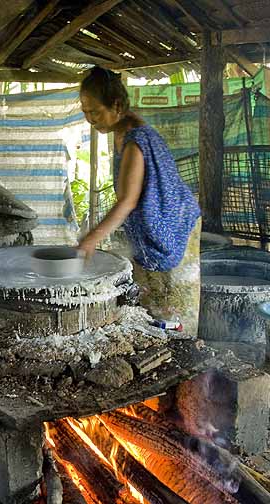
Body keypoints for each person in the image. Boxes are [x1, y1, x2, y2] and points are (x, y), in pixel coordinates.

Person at [76, 67, 202, 334]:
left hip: (174, 225)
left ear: (117, 105)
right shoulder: (121, 130)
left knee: (172, 307)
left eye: (95, 112)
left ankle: (185, 356)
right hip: (158, 221)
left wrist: (91, 239)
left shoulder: (136, 142)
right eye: (84, 112)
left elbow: (127, 201)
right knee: (149, 301)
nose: (89, 119)